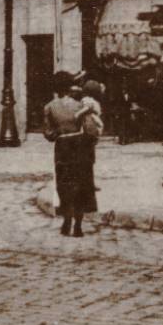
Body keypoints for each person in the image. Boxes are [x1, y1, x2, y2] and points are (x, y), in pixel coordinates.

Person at [43, 71, 98, 237]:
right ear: (69, 87)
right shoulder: (80, 106)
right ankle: (78, 226)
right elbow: (91, 130)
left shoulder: (49, 107)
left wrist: (59, 133)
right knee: (80, 184)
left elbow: (48, 134)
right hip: (79, 145)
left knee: (64, 184)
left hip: (62, 148)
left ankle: (66, 221)